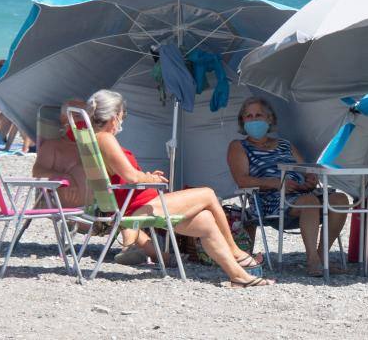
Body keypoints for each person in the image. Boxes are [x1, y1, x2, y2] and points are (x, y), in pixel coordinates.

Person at [87, 89, 273, 287]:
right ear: (115, 116)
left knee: (206, 221)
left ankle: (238, 276)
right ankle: (236, 251)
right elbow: (131, 176)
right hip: (139, 205)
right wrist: (148, 178)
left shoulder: (94, 139)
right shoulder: (106, 138)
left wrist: (147, 177)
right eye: (123, 116)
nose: (122, 121)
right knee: (208, 194)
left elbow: (123, 177)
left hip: (136, 203)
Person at [227, 97, 350, 277]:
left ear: (269, 119)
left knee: (340, 199)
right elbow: (242, 180)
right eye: (248, 116)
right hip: (269, 199)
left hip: (299, 191)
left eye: (258, 115)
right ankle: (313, 261)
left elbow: (305, 169)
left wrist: (310, 179)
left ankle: (322, 256)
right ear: (242, 121)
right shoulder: (239, 146)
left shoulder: (285, 144)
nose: (253, 119)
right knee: (309, 201)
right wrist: (277, 183)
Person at [34, 99, 149, 266]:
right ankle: (144, 251)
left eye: (88, 116)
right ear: (65, 120)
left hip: (104, 210)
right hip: (82, 211)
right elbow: (38, 172)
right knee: (125, 215)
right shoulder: (54, 147)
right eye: (79, 116)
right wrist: (65, 178)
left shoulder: (96, 146)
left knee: (125, 213)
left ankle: (161, 256)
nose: (85, 121)